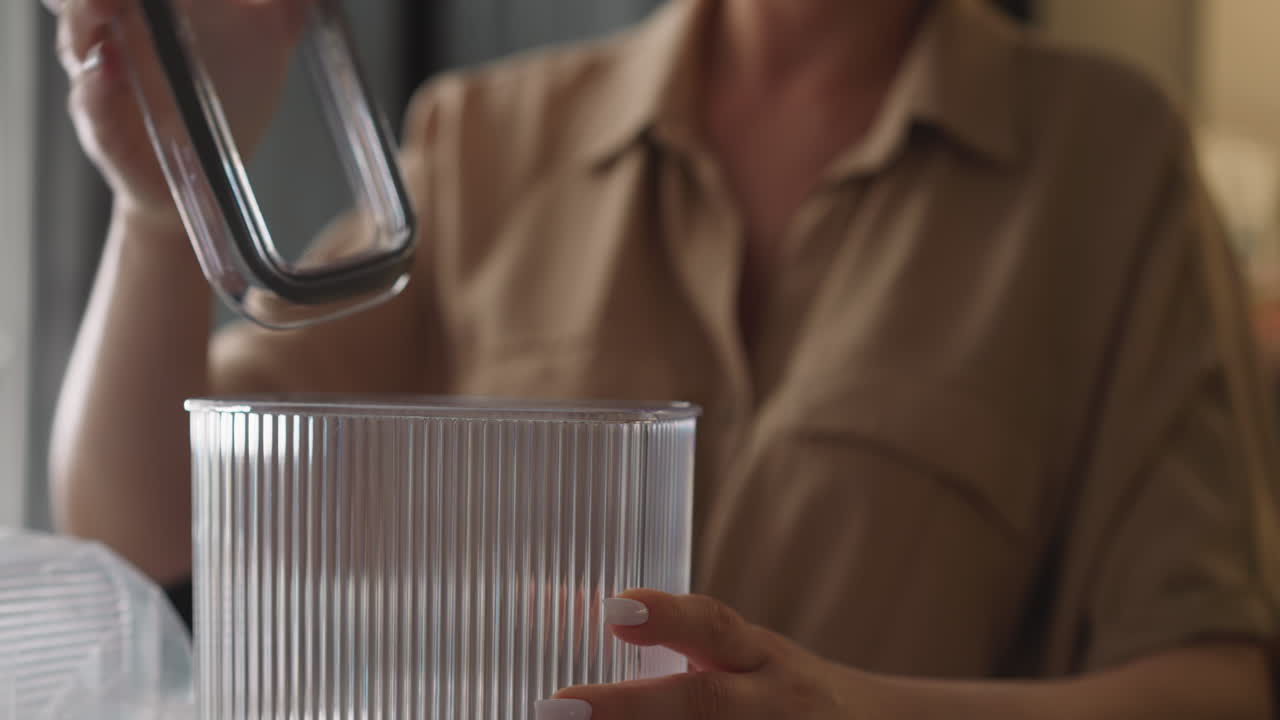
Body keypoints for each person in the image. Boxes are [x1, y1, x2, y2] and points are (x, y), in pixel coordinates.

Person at [45, 0, 1279, 717]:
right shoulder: (486, 137)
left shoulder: (1107, 165)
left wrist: (837, 710)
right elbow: (151, 530)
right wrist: (165, 208)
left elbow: (1214, 683)